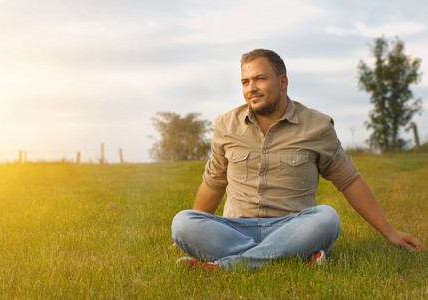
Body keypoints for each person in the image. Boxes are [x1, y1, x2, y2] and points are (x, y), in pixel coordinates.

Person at [171, 49, 423, 271]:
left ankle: (229, 266)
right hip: (236, 228)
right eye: (245, 81)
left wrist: (390, 233)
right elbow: (214, 183)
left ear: (283, 82)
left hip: (293, 226)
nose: (251, 88)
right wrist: (186, 236)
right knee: (183, 222)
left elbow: (350, 181)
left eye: (260, 78)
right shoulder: (226, 125)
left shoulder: (317, 126)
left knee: (327, 217)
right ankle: (291, 256)